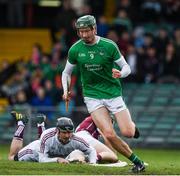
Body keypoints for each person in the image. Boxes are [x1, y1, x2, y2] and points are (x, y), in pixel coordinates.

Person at [62, 15, 145, 173]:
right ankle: (137, 162)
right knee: (108, 133)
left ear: (94, 29)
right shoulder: (75, 49)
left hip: (112, 93)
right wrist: (66, 91)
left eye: (87, 31)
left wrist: (121, 74)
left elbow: (126, 67)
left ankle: (132, 127)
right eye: (81, 32)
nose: (84, 35)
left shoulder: (109, 46)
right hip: (92, 95)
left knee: (127, 132)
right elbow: (66, 73)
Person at [8, 111, 97, 164]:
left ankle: (40, 124)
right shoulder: (48, 136)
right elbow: (42, 159)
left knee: (44, 141)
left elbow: (91, 150)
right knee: (12, 158)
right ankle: (21, 123)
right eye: (64, 132)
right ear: (57, 131)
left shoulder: (76, 139)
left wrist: (93, 163)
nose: (67, 135)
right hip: (34, 152)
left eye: (69, 132)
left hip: (46, 147)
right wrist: (57, 159)